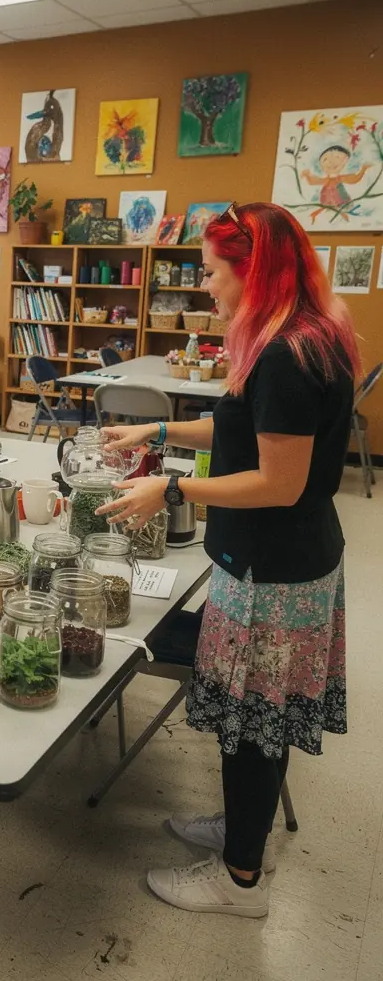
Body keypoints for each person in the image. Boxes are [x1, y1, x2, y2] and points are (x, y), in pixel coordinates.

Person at [97, 201, 358, 918]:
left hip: (274, 573)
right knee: (257, 719)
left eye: (212, 272)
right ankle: (244, 827)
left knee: (253, 720)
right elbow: (242, 425)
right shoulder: (297, 332)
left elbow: (280, 481)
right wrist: (154, 427)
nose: (205, 286)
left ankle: (239, 877)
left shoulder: (284, 354)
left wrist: (171, 486)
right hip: (289, 561)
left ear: (253, 269)